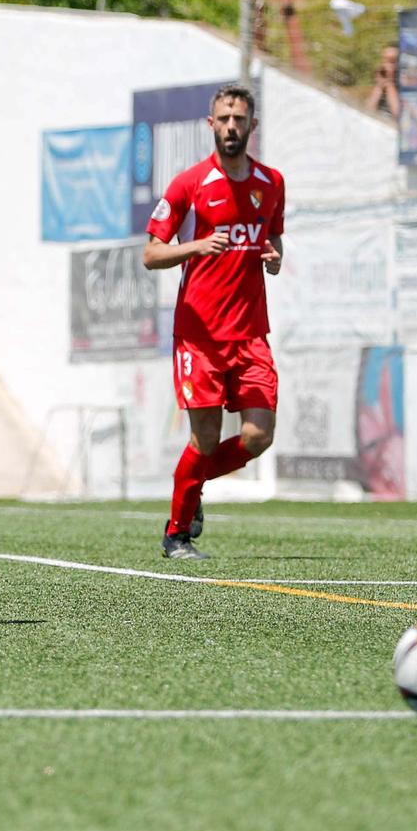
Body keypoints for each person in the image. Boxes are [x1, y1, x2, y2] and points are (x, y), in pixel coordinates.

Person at [142, 82, 285, 560]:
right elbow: (150, 254)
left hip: (250, 335)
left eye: (239, 119)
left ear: (252, 126)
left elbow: (274, 240)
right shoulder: (189, 184)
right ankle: (177, 532)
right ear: (211, 125)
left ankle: (192, 484)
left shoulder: (272, 183)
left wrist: (274, 256)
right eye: (223, 119)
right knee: (203, 441)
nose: (231, 127)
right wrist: (194, 246)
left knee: (259, 436)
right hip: (200, 337)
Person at [366, 45, 401, 119]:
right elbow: (367, 112)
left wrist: (390, 84)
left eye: (391, 61)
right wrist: (379, 86)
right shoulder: (381, 81)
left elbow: (399, 116)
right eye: (384, 60)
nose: (386, 65)